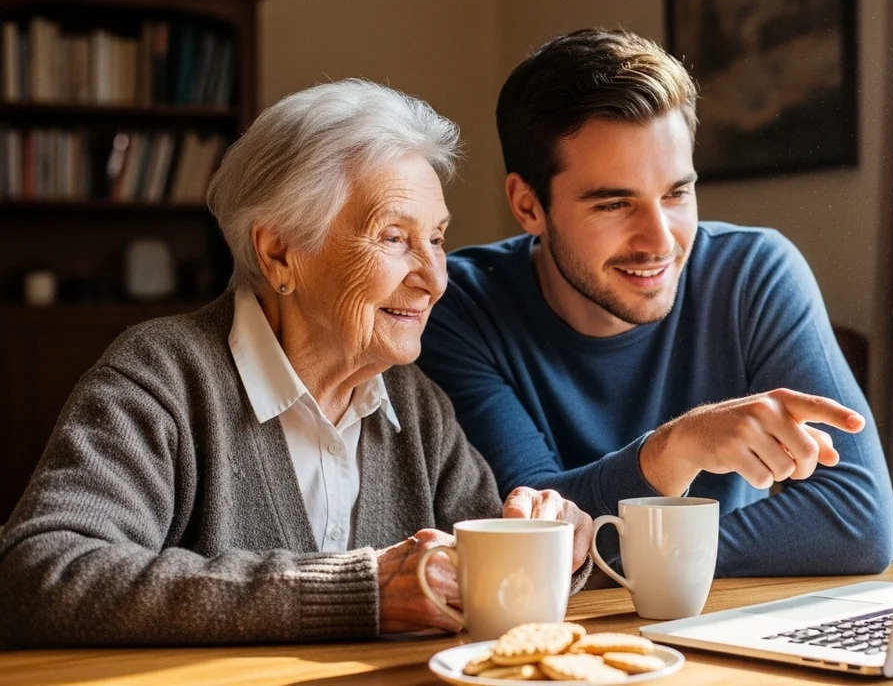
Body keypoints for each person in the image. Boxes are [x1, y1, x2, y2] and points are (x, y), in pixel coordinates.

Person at [0, 80, 592, 648]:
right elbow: (37, 573)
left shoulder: (416, 407)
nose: (434, 279)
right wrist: (358, 591)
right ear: (279, 252)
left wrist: (547, 542)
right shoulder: (163, 378)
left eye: (436, 239)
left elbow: (485, 580)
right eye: (393, 237)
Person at [418, 29, 893, 577]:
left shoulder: (752, 275)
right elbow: (534, 532)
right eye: (615, 204)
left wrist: (654, 551)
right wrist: (672, 452)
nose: (661, 240)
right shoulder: (458, 306)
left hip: (715, 615)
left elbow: (857, 520)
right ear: (529, 206)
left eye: (676, 193)